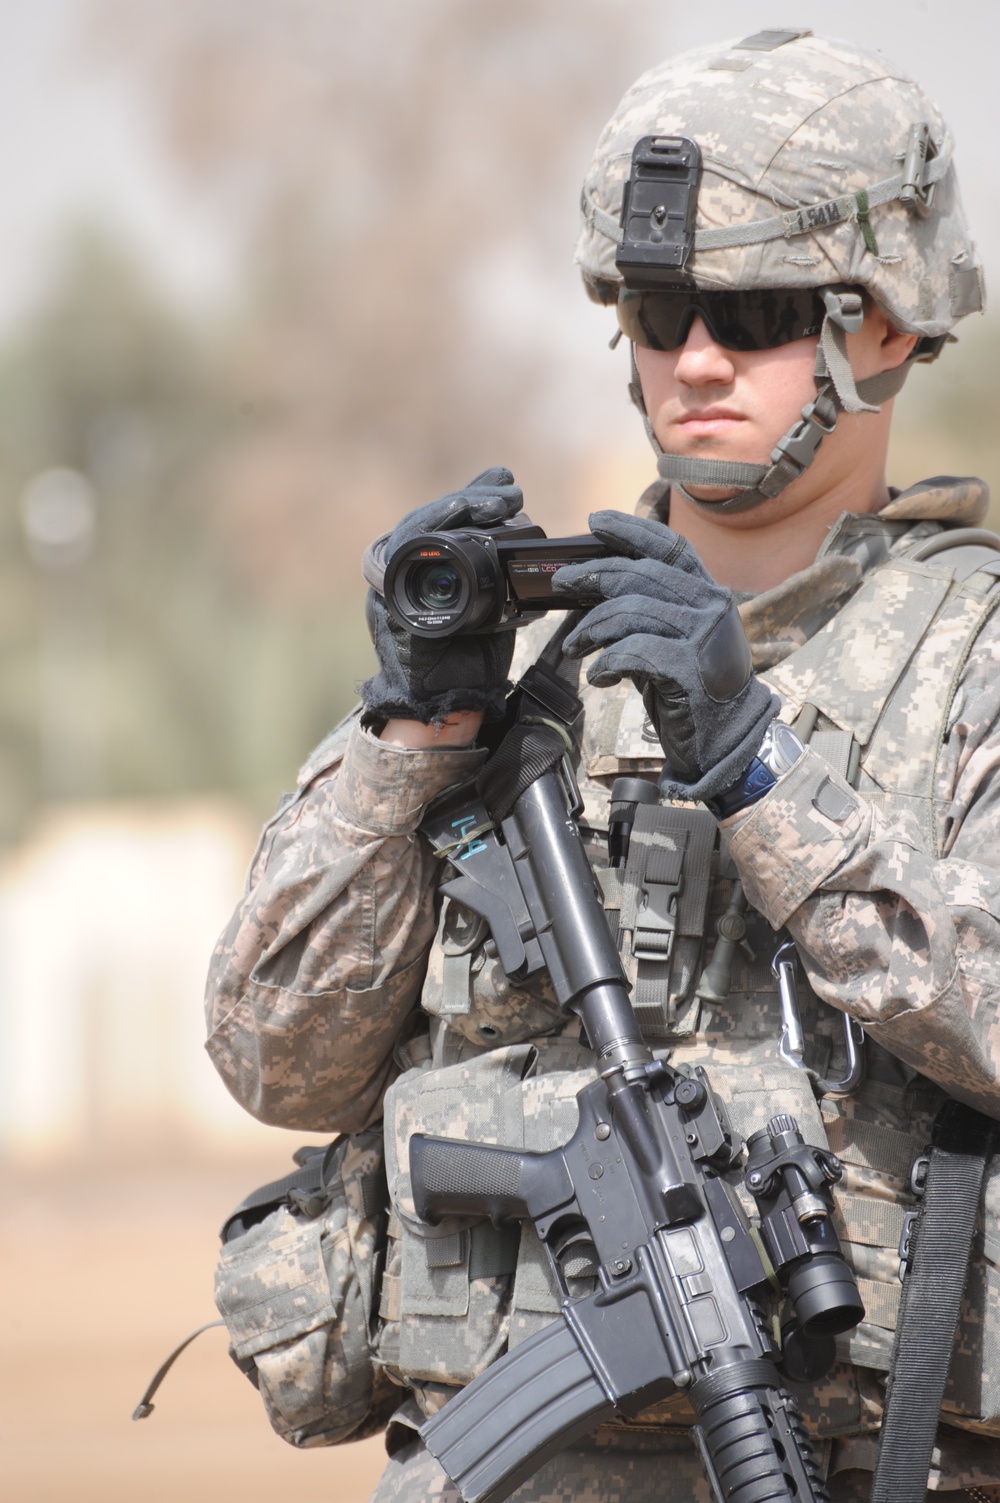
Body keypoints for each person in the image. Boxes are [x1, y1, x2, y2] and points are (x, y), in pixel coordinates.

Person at [204, 30, 1000, 1503]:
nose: (695, 357)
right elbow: (273, 1057)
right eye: (657, 307)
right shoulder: (523, 675)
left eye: (754, 310)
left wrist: (761, 776)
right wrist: (413, 739)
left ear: (883, 326)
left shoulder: (972, 657)